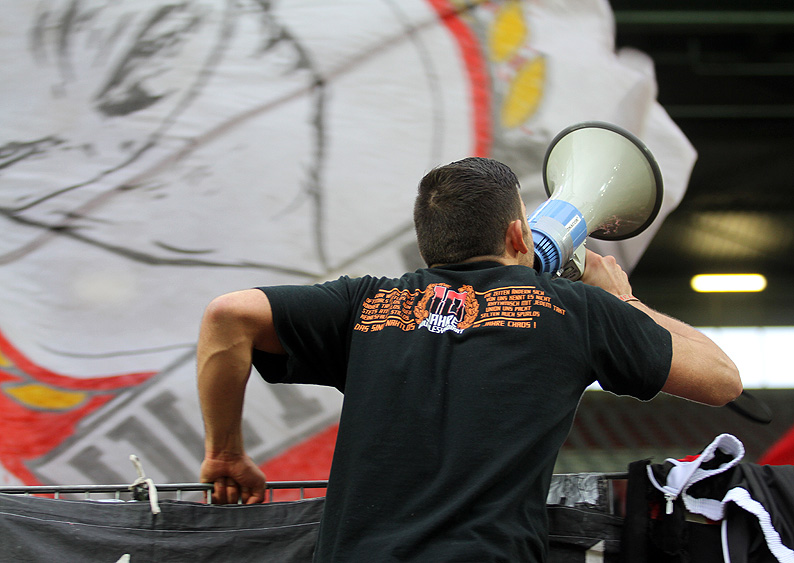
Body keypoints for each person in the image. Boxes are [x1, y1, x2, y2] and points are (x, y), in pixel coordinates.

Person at [197, 157, 741, 562]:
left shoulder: (366, 303)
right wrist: (623, 301)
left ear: (429, 243)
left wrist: (225, 453)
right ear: (517, 235)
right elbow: (722, 379)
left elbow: (228, 315)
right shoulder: (575, 309)